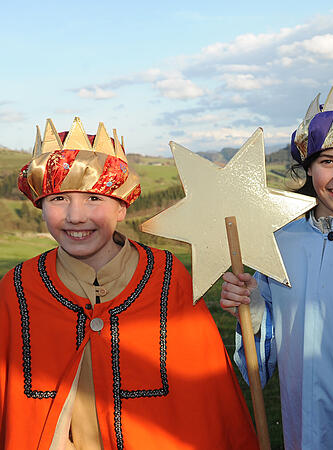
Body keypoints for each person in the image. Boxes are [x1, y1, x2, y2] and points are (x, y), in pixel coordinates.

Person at [0, 117, 257, 449]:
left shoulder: (166, 276)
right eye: (59, 199)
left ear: (121, 207)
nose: (76, 216)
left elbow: (208, 394)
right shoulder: (18, 288)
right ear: (41, 206)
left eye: (94, 199)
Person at [219, 87, 333, 449]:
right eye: (327, 161)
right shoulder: (279, 241)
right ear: (309, 165)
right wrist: (249, 306)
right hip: (301, 425)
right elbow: (264, 337)